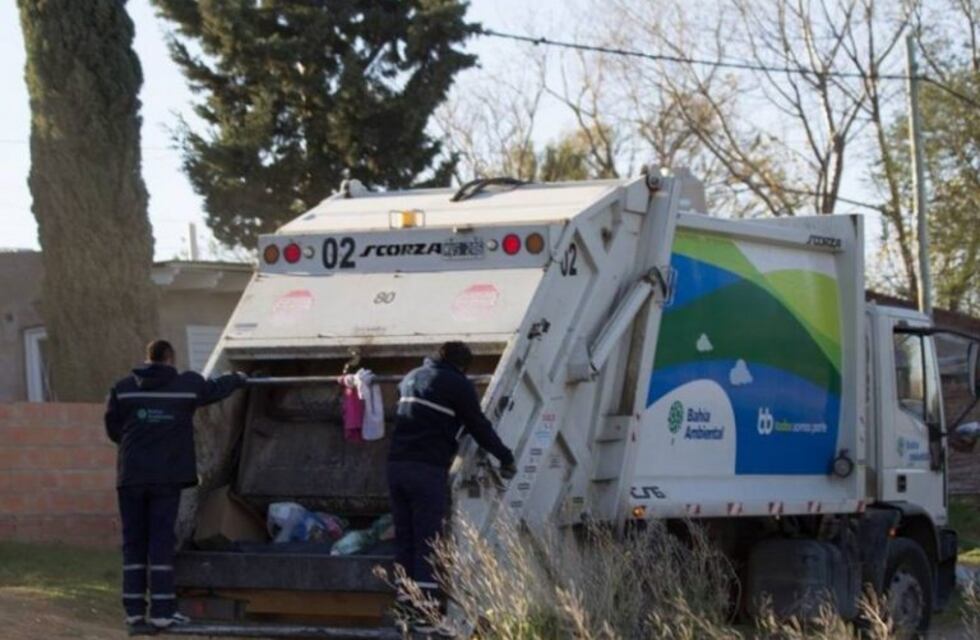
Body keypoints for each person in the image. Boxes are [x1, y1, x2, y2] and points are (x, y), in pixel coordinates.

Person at [104, 339, 247, 632]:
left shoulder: (122, 388)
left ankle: (134, 616)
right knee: (160, 543)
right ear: (170, 358)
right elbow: (216, 389)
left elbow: (114, 430)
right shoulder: (186, 386)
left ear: (147, 358)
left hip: (130, 478)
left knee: (133, 544)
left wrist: (141, 442)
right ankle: (162, 613)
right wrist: (239, 378)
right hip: (166, 478)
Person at [387, 341, 517, 623]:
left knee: (405, 536)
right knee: (428, 538)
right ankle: (426, 609)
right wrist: (505, 457)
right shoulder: (457, 384)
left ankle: (404, 604)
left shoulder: (410, 377)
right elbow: (478, 426)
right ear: (462, 366)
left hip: (396, 466)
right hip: (426, 469)